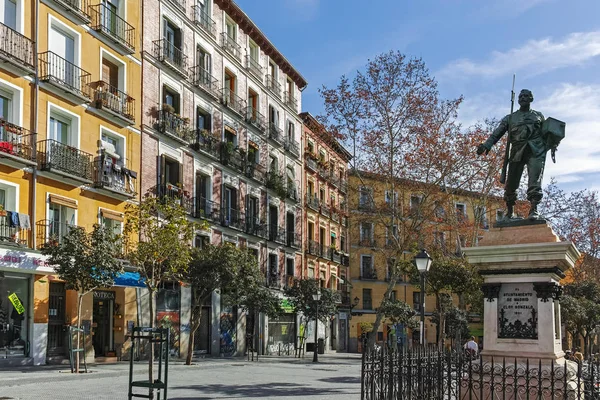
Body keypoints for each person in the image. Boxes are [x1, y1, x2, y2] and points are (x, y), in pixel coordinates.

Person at [476, 89, 554, 220]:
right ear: (518, 100)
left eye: (526, 96)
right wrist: (486, 145)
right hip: (517, 151)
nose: (523, 98)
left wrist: (553, 143)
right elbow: (497, 133)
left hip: (536, 151)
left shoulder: (539, 116)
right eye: (521, 96)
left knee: (535, 181)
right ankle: (509, 212)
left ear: (531, 99)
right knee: (511, 183)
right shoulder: (510, 118)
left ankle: (534, 210)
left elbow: (548, 133)